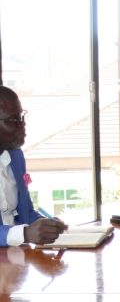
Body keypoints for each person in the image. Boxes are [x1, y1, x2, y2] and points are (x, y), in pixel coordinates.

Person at [0, 86, 65, 247]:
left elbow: (26, 213)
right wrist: (24, 233)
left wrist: (46, 225)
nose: (22, 125)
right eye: (12, 121)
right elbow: (24, 232)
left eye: (21, 117)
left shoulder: (16, 157)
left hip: (15, 255)